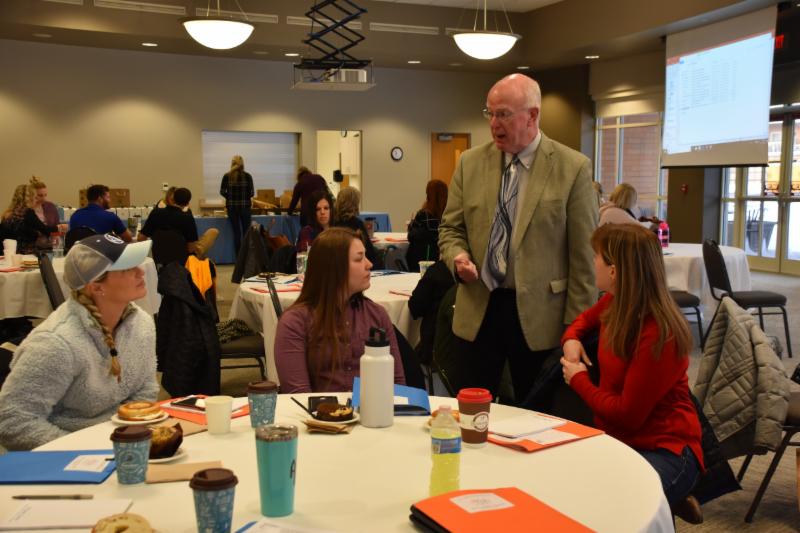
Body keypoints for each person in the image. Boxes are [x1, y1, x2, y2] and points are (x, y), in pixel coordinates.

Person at [438, 73, 597, 403]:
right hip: (479, 308)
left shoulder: (573, 168)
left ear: (532, 115)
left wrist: (576, 329)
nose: (494, 123)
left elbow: (584, 259)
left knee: (537, 414)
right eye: (490, 113)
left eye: (504, 114)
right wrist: (457, 257)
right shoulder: (470, 163)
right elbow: (451, 229)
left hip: (541, 317)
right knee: (470, 410)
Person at [560, 223, 704, 512]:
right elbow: (582, 321)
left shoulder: (658, 332)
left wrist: (579, 380)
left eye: (596, 256)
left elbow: (627, 416)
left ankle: (666, 501)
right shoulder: (617, 302)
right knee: (563, 486)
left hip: (665, 448)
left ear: (614, 271)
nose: (592, 261)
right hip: (618, 440)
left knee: (605, 507)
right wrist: (571, 340)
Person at [0, 234, 157, 450]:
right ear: (96, 287)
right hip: (68, 455)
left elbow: (145, 388)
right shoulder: (55, 343)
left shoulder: (141, 324)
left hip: (120, 444)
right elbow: (13, 421)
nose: (140, 272)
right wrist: (86, 451)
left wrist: (128, 438)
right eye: (127, 269)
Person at [274, 227, 406, 393]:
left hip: (375, 409)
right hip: (317, 409)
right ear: (334, 267)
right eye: (359, 259)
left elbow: (397, 385)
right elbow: (298, 394)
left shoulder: (377, 315)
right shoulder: (295, 322)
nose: (369, 264)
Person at [138, 187, 218, 258]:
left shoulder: (155, 213)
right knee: (213, 232)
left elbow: (141, 238)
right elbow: (191, 248)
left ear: (173, 199)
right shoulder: (187, 218)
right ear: (187, 203)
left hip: (159, 256)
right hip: (183, 258)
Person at [0, 184, 66, 253]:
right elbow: (46, 230)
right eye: (35, 197)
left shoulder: (7, 214)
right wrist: (60, 227)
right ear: (29, 199)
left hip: (6, 253)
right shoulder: (28, 213)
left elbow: (21, 231)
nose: (36, 200)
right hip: (23, 253)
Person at [406, 179, 448, 272]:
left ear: (428, 195)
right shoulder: (448, 215)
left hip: (420, 261)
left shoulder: (423, 215)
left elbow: (411, 235)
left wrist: (411, 225)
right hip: (440, 260)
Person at [333, 186, 379, 267]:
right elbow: (369, 251)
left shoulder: (332, 222)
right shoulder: (357, 224)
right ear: (354, 204)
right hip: (359, 265)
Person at [220, 155, 254, 255]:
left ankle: (238, 257)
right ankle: (246, 256)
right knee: (246, 232)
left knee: (236, 232)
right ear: (243, 164)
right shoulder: (248, 176)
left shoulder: (227, 176)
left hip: (232, 208)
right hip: (245, 208)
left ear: (232, 163)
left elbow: (222, 191)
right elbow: (252, 193)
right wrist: (244, 198)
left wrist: (230, 197)